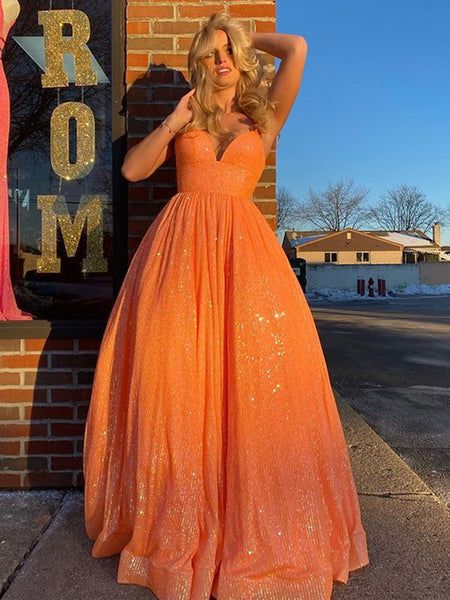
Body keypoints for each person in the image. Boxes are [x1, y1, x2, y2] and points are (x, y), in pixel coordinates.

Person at [83, 12, 369, 600]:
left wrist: (239, 33)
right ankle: (182, 517)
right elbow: (134, 170)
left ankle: (245, 518)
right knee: (178, 386)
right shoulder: (189, 117)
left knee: (251, 390)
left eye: (228, 53)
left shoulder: (263, 118)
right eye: (211, 53)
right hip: (178, 263)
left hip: (246, 264)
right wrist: (174, 120)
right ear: (197, 63)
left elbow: (297, 46)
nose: (221, 62)